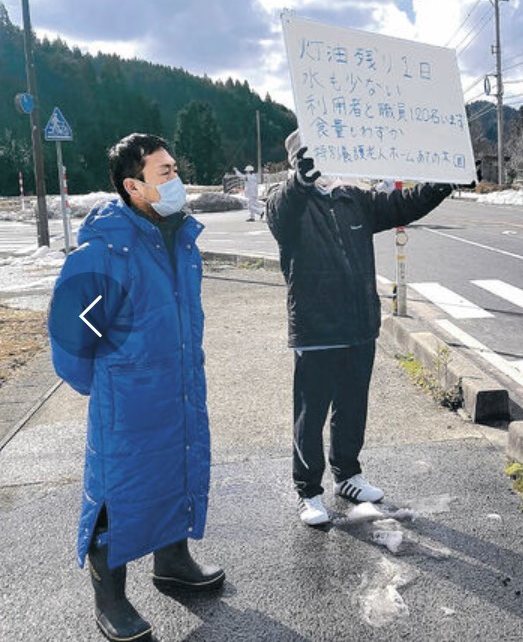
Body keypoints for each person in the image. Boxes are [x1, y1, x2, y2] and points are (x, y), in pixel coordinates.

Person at [48, 133, 224, 641]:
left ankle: (172, 561)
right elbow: (69, 335)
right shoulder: (106, 250)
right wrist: (109, 384)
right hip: (126, 399)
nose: (177, 180)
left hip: (181, 386)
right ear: (133, 185)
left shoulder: (180, 237)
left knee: (177, 466)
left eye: (175, 168)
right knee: (115, 493)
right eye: (165, 172)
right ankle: (110, 598)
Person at [266, 130, 453, 526]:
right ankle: (308, 492)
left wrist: (444, 182)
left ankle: (347, 475)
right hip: (316, 330)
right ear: (295, 161)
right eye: (310, 158)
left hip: (359, 325)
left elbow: (404, 203)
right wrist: (300, 180)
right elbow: (282, 210)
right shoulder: (288, 204)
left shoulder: (353, 200)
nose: (322, 166)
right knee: (310, 413)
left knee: (352, 408)